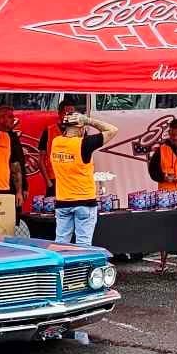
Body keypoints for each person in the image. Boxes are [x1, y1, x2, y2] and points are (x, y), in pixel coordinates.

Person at [48, 106, 118, 248]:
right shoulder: (83, 144)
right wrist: (88, 120)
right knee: (83, 246)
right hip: (84, 201)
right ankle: (81, 270)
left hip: (62, 201)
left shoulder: (56, 142)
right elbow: (112, 130)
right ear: (81, 127)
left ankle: (61, 270)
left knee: (61, 244)